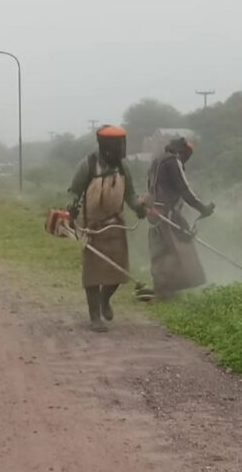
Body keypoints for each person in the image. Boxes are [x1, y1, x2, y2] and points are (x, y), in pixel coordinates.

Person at [67, 125, 146, 332]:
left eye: (123, 145)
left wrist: (138, 207)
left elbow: (130, 194)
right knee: (93, 274)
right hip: (92, 226)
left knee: (118, 272)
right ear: (105, 146)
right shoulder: (87, 165)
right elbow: (74, 192)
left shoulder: (123, 168)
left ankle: (105, 300)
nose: (121, 150)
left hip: (115, 223)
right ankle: (95, 316)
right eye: (117, 145)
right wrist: (72, 207)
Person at [144, 137, 214, 300]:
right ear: (182, 151)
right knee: (176, 249)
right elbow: (184, 189)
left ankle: (163, 288)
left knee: (160, 250)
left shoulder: (157, 161)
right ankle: (166, 291)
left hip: (155, 211)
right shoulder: (173, 161)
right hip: (167, 213)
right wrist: (202, 208)